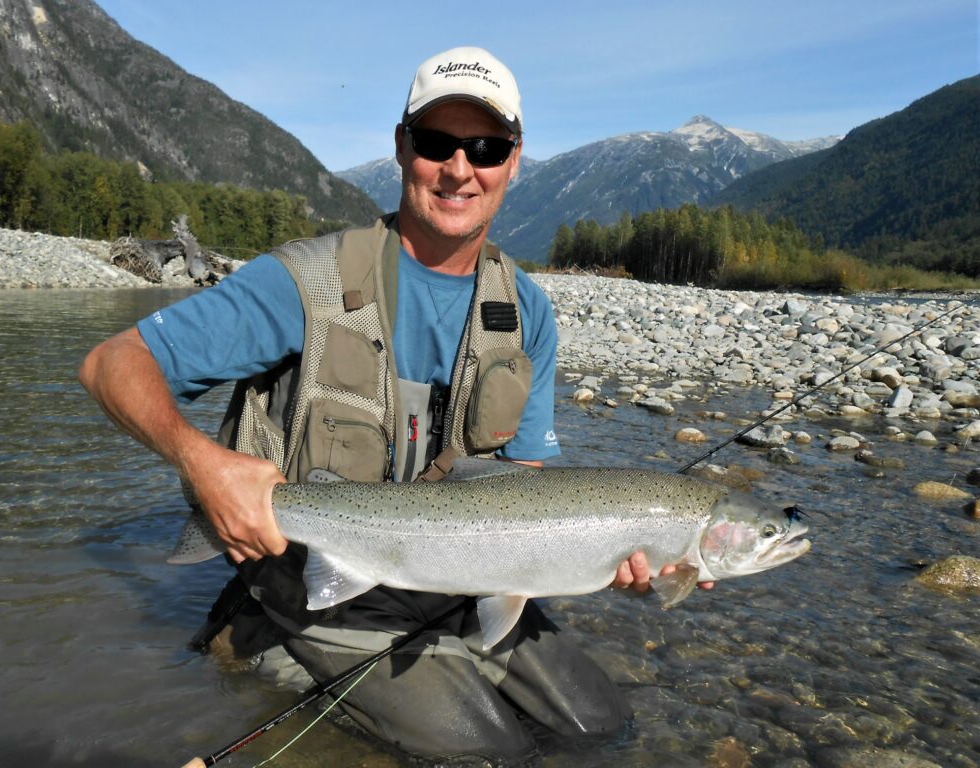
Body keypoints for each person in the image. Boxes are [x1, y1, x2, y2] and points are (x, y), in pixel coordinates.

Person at [80, 46, 711, 762]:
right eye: (438, 143)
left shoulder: (526, 311)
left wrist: (609, 558)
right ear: (403, 146)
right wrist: (204, 467)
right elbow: (112, 363)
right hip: (320, 574)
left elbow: (529, 486)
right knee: (492, 753)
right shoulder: (307, 283)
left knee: (598, 727)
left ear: (515, 159)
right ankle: (261, 645)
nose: (460, 168)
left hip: (454, 580)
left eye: (487, 147)